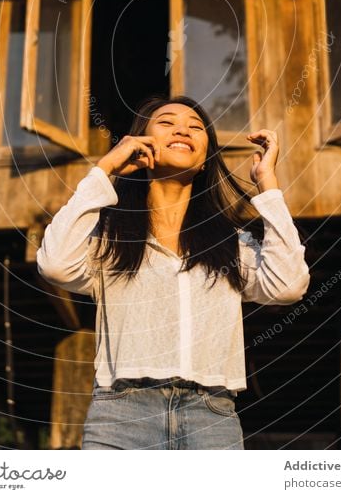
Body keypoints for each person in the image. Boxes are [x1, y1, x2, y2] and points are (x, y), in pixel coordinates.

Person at [37, 94, 310, 450]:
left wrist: (268, 184)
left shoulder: (231, 245)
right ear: (140, 146)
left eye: (196, 127)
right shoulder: (109, 241)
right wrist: (104, 170)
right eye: (166, 123)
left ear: (203, 162)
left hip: (211, 419)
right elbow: (54, 264)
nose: (183, 128)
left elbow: (288, 285)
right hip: (122, 417)